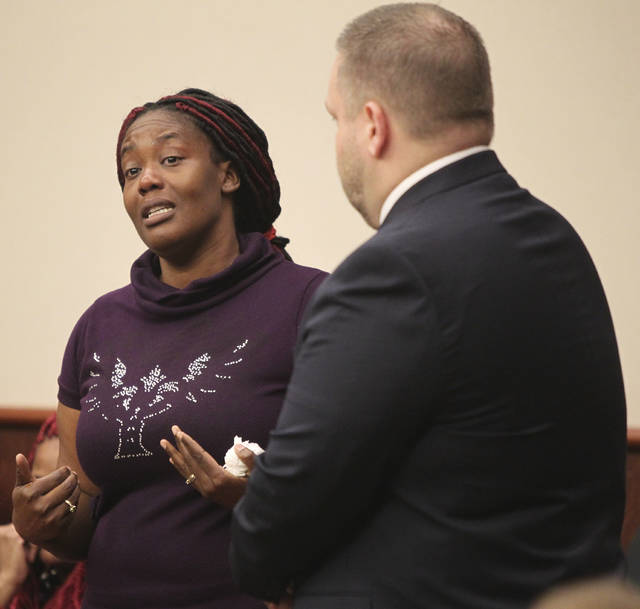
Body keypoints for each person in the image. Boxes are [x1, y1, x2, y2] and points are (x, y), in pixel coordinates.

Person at [230, 4, 627, 609]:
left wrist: (259, 528)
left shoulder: (390, 273)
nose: (337, 140)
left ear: (372, 125)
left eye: (336, 119)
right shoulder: (554, 237)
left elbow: (275, 527)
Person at [12, 88, 326, 609]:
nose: (146, 180)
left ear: (229, 175)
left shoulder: (312, 303)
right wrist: (42, 524)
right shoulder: (100, 324)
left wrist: (262, 502)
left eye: (171, 159)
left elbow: (365, 488)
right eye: (130, 171)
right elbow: (84, 518)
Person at [1, 415, 86, 609]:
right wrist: (7, 580)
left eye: (69, 488)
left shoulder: (112, 584)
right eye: (41, 486)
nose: (48, 504)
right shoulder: (12, 557)